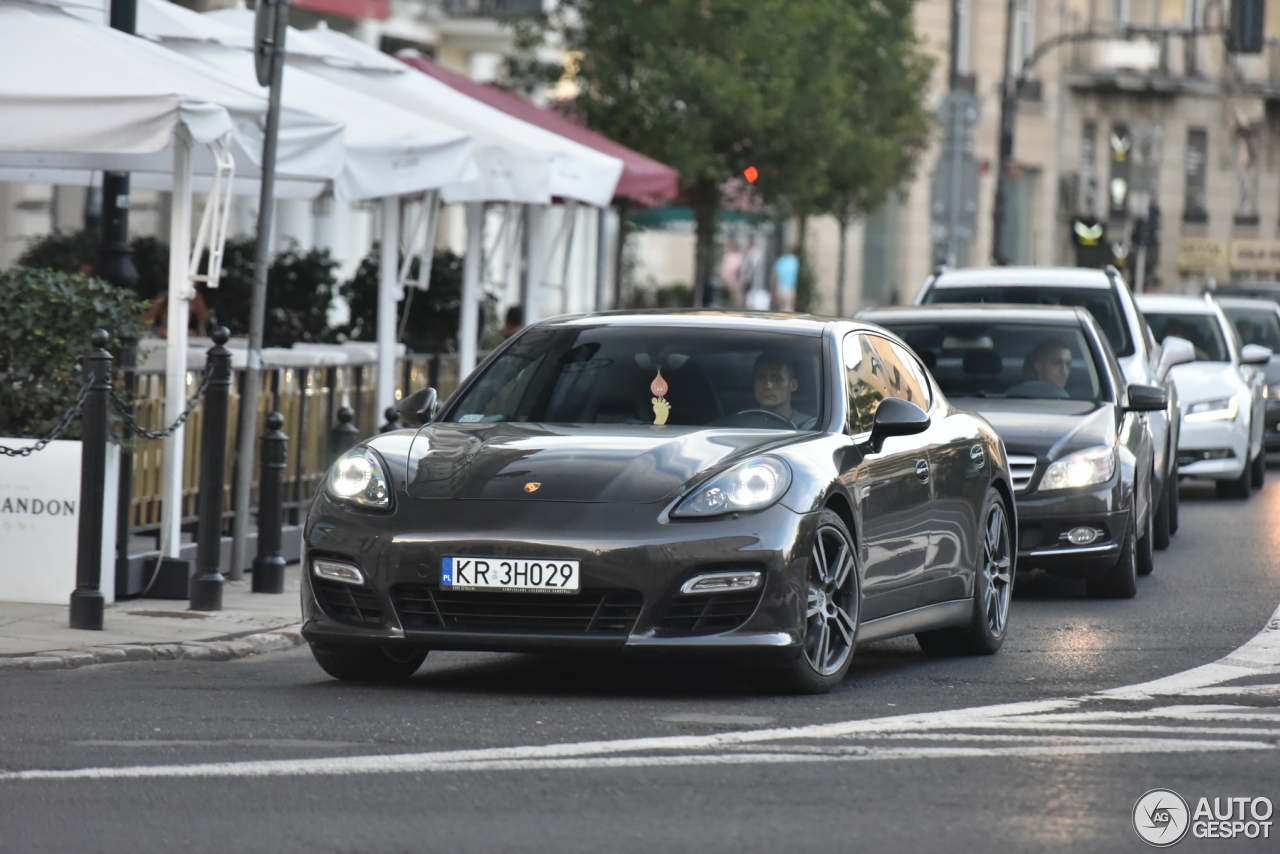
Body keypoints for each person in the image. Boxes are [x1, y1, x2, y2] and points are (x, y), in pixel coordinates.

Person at [750, 351, 817, 428]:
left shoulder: (810, 427)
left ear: (793, 385)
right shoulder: (743, 425)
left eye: (777, 379)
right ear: (754, 383)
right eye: (760, 378)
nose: (767, 386)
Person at [1006, 338, 1072, 398]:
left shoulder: (1011, 393)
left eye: (1068, 364)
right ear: (1039, 366)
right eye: (1057, 363)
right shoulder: (1060, 397)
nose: (1064, 371)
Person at [772, 245, 799, 312]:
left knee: (781, 309)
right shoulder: (795, 261)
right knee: (789, 309)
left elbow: (776, 276)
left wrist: (774, 289)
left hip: (781, 287)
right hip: (790, 288)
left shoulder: (781, 260)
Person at [719, 239, 744, 307]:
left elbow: (737, 267)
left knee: (736, 297)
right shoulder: (727, 256)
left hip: (735, 280)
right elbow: (724, 267)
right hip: (727, 280)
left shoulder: (738, 256)